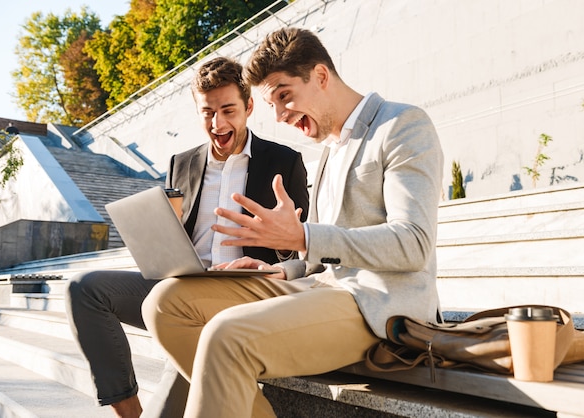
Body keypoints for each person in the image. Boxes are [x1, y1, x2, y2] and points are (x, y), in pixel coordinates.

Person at [142, 27, 444, 418]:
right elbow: (321, 257)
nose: (281, 115)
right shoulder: (331, 149)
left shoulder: (401, 125)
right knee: (165, 304)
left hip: (379, 305)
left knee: (226, 333)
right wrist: (279, 270)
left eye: (284, 95)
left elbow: (414, 243)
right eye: (272, 104)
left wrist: (302, 234)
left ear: (320, 77)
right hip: (319, 288)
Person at [65, 56, 309, 418]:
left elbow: (308, 254)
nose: (218, 123)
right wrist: (161, 241)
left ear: (249, 107)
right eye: (207, 112)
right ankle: (128, 411)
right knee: (85, 288)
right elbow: (175, 237)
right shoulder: (183, 162)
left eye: (228, 110)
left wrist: (283, 248)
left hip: (247, 294)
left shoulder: (283, 161)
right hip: (182, 287)